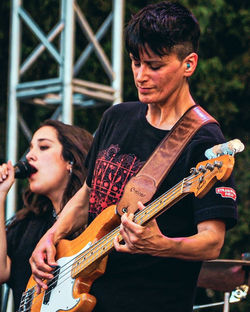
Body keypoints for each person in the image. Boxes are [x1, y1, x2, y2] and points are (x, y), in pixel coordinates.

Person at [29, 2, 238, 312]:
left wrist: (161, 245)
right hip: (80, 296)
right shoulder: (116, 117)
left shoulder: (205, 141)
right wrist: (52, 234)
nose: (141, 75)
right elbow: (87, 195)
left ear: (189, 64)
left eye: (154, 65)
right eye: (135, 63)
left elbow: (212, 240)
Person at [0, 119, 93, 310]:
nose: (30, 156)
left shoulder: (95, 218)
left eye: (43, 147)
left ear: (70, 160)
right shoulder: (26, 224)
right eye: (30, 148)